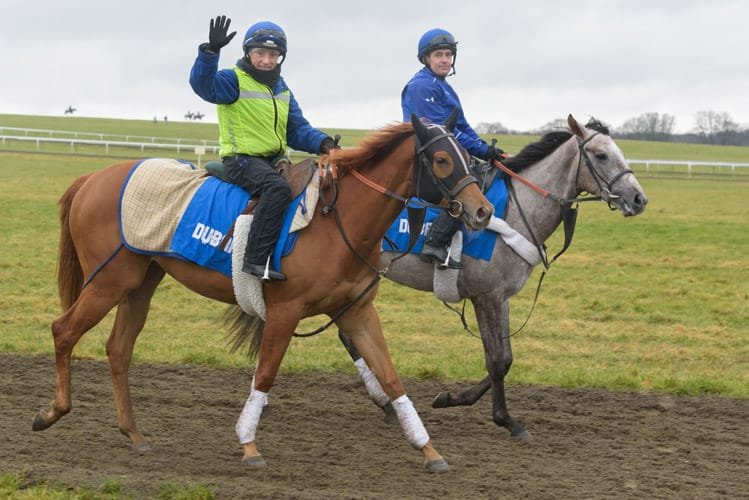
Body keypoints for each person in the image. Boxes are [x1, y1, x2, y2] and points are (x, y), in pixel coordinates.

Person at [190, 16, 336, 280]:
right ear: (248, 52)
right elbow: (203, 86)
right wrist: (210, 53)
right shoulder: (232, 80)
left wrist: (323, 142)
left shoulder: (282, 89)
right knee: (277, 189)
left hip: (274, 160)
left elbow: (297, 130)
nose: (267, 60)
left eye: (273, 54)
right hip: (241, 160)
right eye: (260, 53)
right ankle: (254, 260)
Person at [401, 28, 506, 269]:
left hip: (448, 153)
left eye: (449, 55)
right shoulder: (422, 86)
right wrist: (479, 150)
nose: (445, 60)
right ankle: (435, 242)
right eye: (439, 55)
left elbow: (463, 127)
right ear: (426, 58)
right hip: (427, 156)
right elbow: (442, 132)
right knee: (467, 186)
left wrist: (486, 150)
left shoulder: (443, 86)